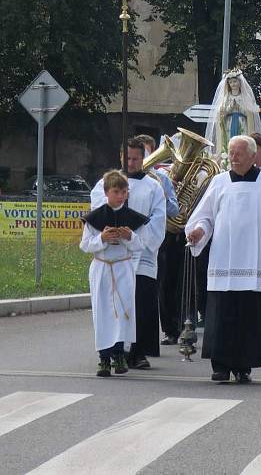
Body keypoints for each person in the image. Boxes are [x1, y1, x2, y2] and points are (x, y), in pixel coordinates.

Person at [185, 136, 261, 383]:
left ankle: (244, 365)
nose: (233, 157)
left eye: (238, 153)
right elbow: (206, 216)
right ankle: (221, 365)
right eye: (231, 152)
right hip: (224, 258)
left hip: (255, 258)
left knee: (249, 313)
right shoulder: (219, 182)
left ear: (252, 155)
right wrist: (199, 231)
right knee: (222, 311)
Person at [91, 138, 166, 370]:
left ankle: (137, 352)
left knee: (140, 304)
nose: (131, 162)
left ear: (143, 158)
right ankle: (113, 350)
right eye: (128, 158)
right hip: (113, 254)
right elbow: (97, 211)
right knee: (113, 307)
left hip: (140, 253)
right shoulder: (104, 184)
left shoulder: (153, 186)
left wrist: (138, 237)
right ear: (121, 157)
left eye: (136, 158)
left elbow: (158, 218)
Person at [80, 170, 148, 377]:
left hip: (123, 267)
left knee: (123, 312)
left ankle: (119, 354)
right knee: (103, 313)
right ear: (107, 192)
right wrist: (101, 238)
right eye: (116, 191)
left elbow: (140, 245)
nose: (120, 196)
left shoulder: (133, 218)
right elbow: (85, 245)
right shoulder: (95, 218)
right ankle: (103, 357)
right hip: (102, 268)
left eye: (124, 192)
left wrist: (129, 236)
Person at [133, 134, 183, 347]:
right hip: (131, 239)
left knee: (163, 285)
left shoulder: (161, 178)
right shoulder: (123, 178)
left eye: (146, 154)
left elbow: (174, 209)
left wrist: (162, 192)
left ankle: (171, 329)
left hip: (160, 237)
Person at [206, 69, 261, 160]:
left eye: (235, 81)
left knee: (242, 139)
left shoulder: (245, 97)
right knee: (228, 142)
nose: (233, 84)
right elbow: (221, 113)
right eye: (231, 82)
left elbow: (249, 113)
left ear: (239, 83)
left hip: (242, 122)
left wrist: (239, 106)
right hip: (229, 123)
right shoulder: (226, 98)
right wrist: (230, 107)